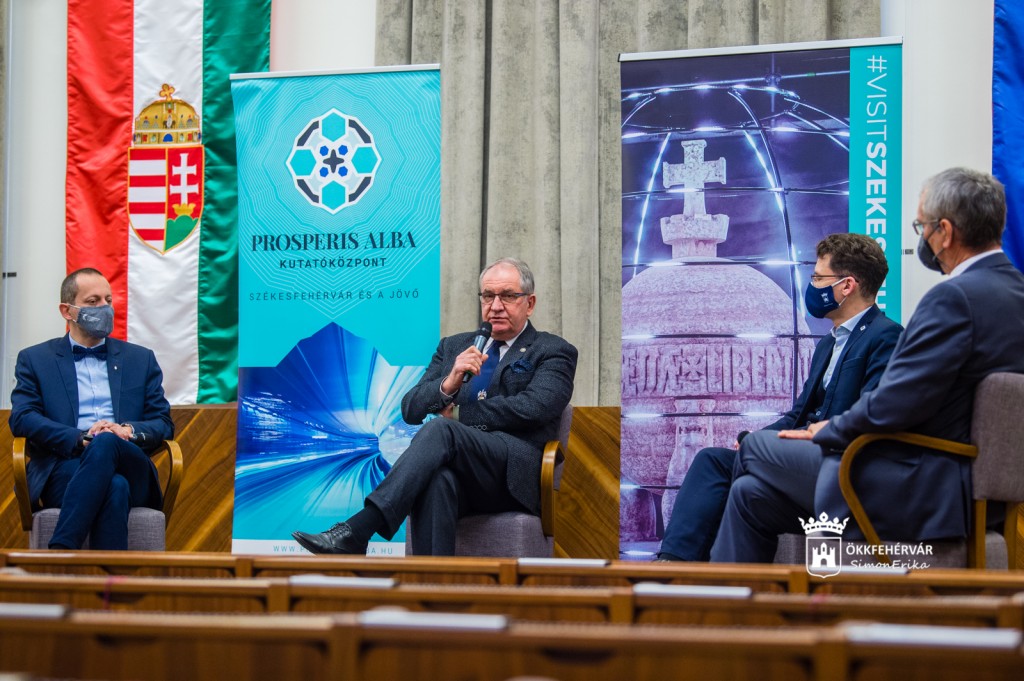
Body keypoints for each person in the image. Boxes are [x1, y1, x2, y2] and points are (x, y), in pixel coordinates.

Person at [710, 167, 1024, 563]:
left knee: (755, 447)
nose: (922, 237)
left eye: (922, 226)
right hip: (978, 492)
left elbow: (898, 401)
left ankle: (721, 591)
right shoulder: (1016, 292)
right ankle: (738, 596)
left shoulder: (954, 298)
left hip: (921, 484)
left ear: (945, 231)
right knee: (750, 495)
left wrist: (829, 430)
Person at [293, 257, 578, 556]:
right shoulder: (454, 347)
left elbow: (535, 407)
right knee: (437, 480)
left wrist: (458, 415)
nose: (495, 306)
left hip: (512, 474)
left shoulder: (552, 350)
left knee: (442, 428)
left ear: (529, 303)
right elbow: (410, 408)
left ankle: (361, 527)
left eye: (507, 296)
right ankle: (429, 580)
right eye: (488, 296)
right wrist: (449, 383)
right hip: (463, 475)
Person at [656, 233, 902, 561]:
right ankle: (677, 566)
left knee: (737, 462)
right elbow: (798, 414)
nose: (812, 286)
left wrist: (767, 444)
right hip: (798, 456)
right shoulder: (826, 344)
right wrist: (754, 438)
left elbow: (872, 414)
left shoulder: (886, 336)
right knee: (722, 467)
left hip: (839, 462)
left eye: (818, 278)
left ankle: (682, 567)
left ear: (846, 286)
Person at [9, 268, 174, 550]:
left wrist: (126, 430)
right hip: (65, 467)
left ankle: (61, 548)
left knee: (108, 442)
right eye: (93, 301)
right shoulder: (35, 359)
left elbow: (163, 423)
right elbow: (23, 418)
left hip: (131, 464)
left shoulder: (140, 359)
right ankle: (110, 574)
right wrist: (80, 438)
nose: (104, 308)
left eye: (108, 300)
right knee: (115, 486)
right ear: (67, 311)